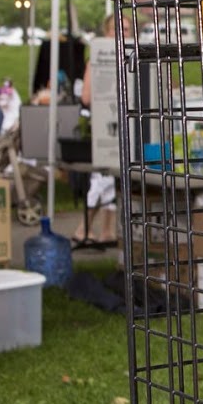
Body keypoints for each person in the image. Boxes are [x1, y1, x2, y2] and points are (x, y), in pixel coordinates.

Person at [75, 15, 119, 243]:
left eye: (127, 28)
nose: (122, 32)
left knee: (113, 181)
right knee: (101, 178)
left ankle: (107, 231)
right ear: (106, 31)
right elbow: (86, 96)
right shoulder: (97, 59)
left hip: (123, 127)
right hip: (103, 126)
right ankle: (83, 228)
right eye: (115, 28)